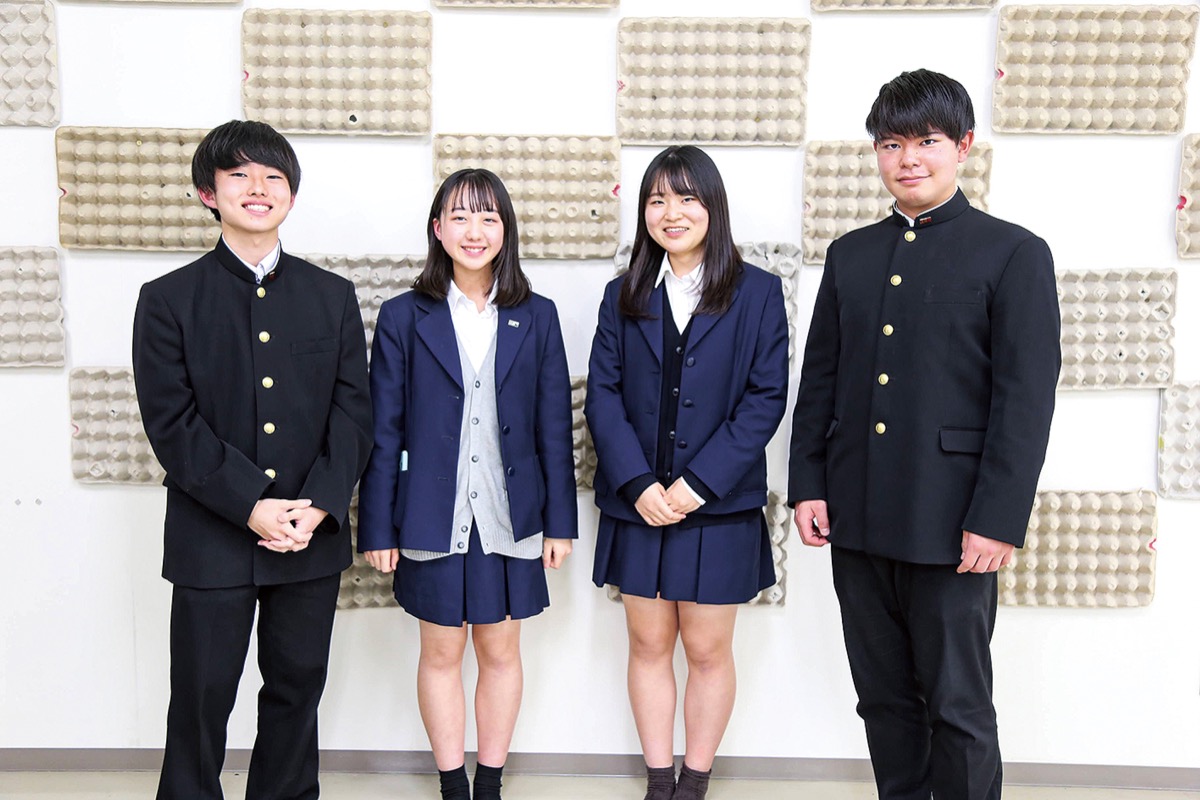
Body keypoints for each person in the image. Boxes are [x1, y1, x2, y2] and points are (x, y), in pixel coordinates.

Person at [788, 69, 1061, 799]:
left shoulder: (1013, 252)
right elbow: (821, 381)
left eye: (927, 142)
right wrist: (808, 483)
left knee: (958, 705)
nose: (907, 158)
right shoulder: (850, 254)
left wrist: (997, 518)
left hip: (953, 522)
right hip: (857, 515)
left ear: (963, 146)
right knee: (883, 701)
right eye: (891, 144)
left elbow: (1025, 401)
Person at [132, 119, 373, 800]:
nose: (258, 188)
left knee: (298, 690)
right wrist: (252, 505)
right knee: (201, 697)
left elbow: (353, 415)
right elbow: (172, 425)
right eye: (238, 175)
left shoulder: (331, 296)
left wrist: (319, 505)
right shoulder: (167, 299)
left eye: (273, 176)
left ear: (291, 194)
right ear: (208, 193)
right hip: (211, 537)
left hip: (308, 536)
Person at [357, 168, 577, 800]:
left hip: (513, 515)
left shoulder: (537, 316)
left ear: (506, 230)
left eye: (487, 216)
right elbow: (384, 430)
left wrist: (560, 524)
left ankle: (490, 784)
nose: (473, 230)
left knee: (502, 653)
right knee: (440, 654)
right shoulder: (403, 317)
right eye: (459, 216)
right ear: (437, 229)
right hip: (430, 514)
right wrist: (378, 526)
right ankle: (453, 784)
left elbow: (553, 428)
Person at [586, 145, 789, 800]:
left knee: (707, 650)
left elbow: (765, 399)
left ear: (712, 207)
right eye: (656, 200)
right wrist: (637, 484)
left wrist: (698, 484)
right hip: (638, 503)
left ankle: (694, 781)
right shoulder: (623, 295)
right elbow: (602, 397)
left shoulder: (758, 292)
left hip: (718, 506)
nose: (670, 213)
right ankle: (657, 780)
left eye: (686, 198)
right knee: (647, 645)